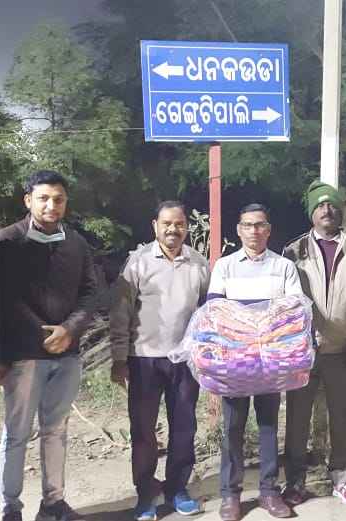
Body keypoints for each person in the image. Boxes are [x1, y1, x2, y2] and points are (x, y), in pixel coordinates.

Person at [0, 171, 100, 521]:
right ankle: (11, 508)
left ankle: (53, 503)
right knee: (17, 433)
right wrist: (42, 334)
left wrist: (69, 329)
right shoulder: (8, 241)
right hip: (25, 355)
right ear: (28, 200)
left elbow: (91, 292)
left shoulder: (76, 243)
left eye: (58, 199)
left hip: (67, 355)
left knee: (56, 430)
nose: (51, 205)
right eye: (43, 198)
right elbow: (5, 296)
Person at [281, 181, 346, 507]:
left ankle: (342, 476)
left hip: (344, 352)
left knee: (342, 416)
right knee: (297, 419)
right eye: (319, 205)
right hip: (303, 354)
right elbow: (283, 303)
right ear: (311, 212)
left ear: (340, 210)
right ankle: (295, 480)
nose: (326, 210)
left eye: (331, 204)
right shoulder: (293, 252)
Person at [110, 200, 210, 521]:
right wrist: (118, 358)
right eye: (166, 223)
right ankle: (145, 495)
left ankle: (177, 489)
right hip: (144, 360)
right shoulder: (138, 262)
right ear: (155, 226)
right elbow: (120, 312)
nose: (173, 229)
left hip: (185, 361)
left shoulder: (198, 264)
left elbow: (207, 311)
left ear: (187, 227)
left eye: (179, 224)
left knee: (184, 427)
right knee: (143, 431)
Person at [207, 203, 304, 521]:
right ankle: (230, 494)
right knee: (233, 426)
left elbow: (292, 310)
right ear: (238, 230)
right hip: (235, 360)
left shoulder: (283, 267)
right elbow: (216, 310)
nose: (254, 231)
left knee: (268, 426)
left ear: (268, 230)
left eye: (260, 225)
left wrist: (265, 332)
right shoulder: (225, 266)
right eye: (247, 225)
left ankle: (269, 492)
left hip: (270, 360)